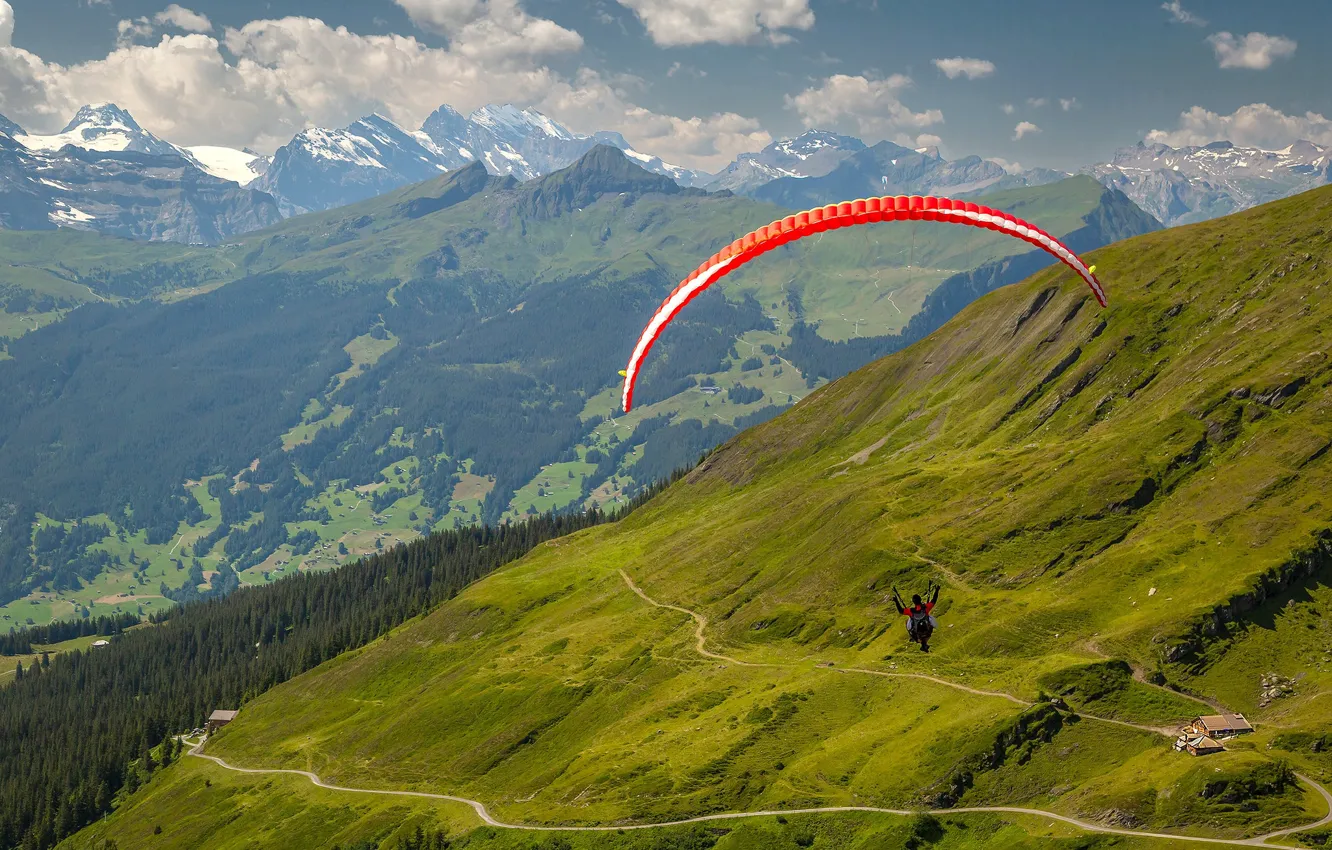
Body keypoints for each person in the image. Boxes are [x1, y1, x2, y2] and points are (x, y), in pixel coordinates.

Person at [891, 582, 940, 652]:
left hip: (916, 630)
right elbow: (933, 601)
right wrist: (937, 590)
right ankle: (933, 628)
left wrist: (896, 601)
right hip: (926, 628)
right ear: (920, 600)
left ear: (913, 602)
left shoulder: (910, 611)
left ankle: (912, 637)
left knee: (907, 622)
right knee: (930, 618)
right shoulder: (926, 607)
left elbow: (901, 611)